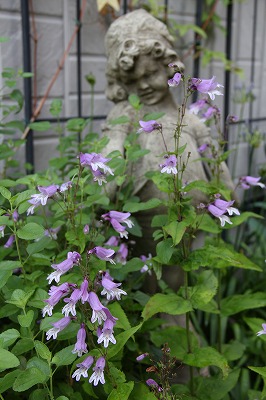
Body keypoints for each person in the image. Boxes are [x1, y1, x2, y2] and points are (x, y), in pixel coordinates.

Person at [102, 9, 235, 288]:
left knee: (179, 280)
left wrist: (224, 192)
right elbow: (110, 162)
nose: (144, 85)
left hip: (190, 222)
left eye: (150, 73)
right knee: (150, 282)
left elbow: (215, 164)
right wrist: (112, 156)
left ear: (168, 66)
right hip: (142, 227)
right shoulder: (125, 116)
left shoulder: (189, 118)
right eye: (132, 81)